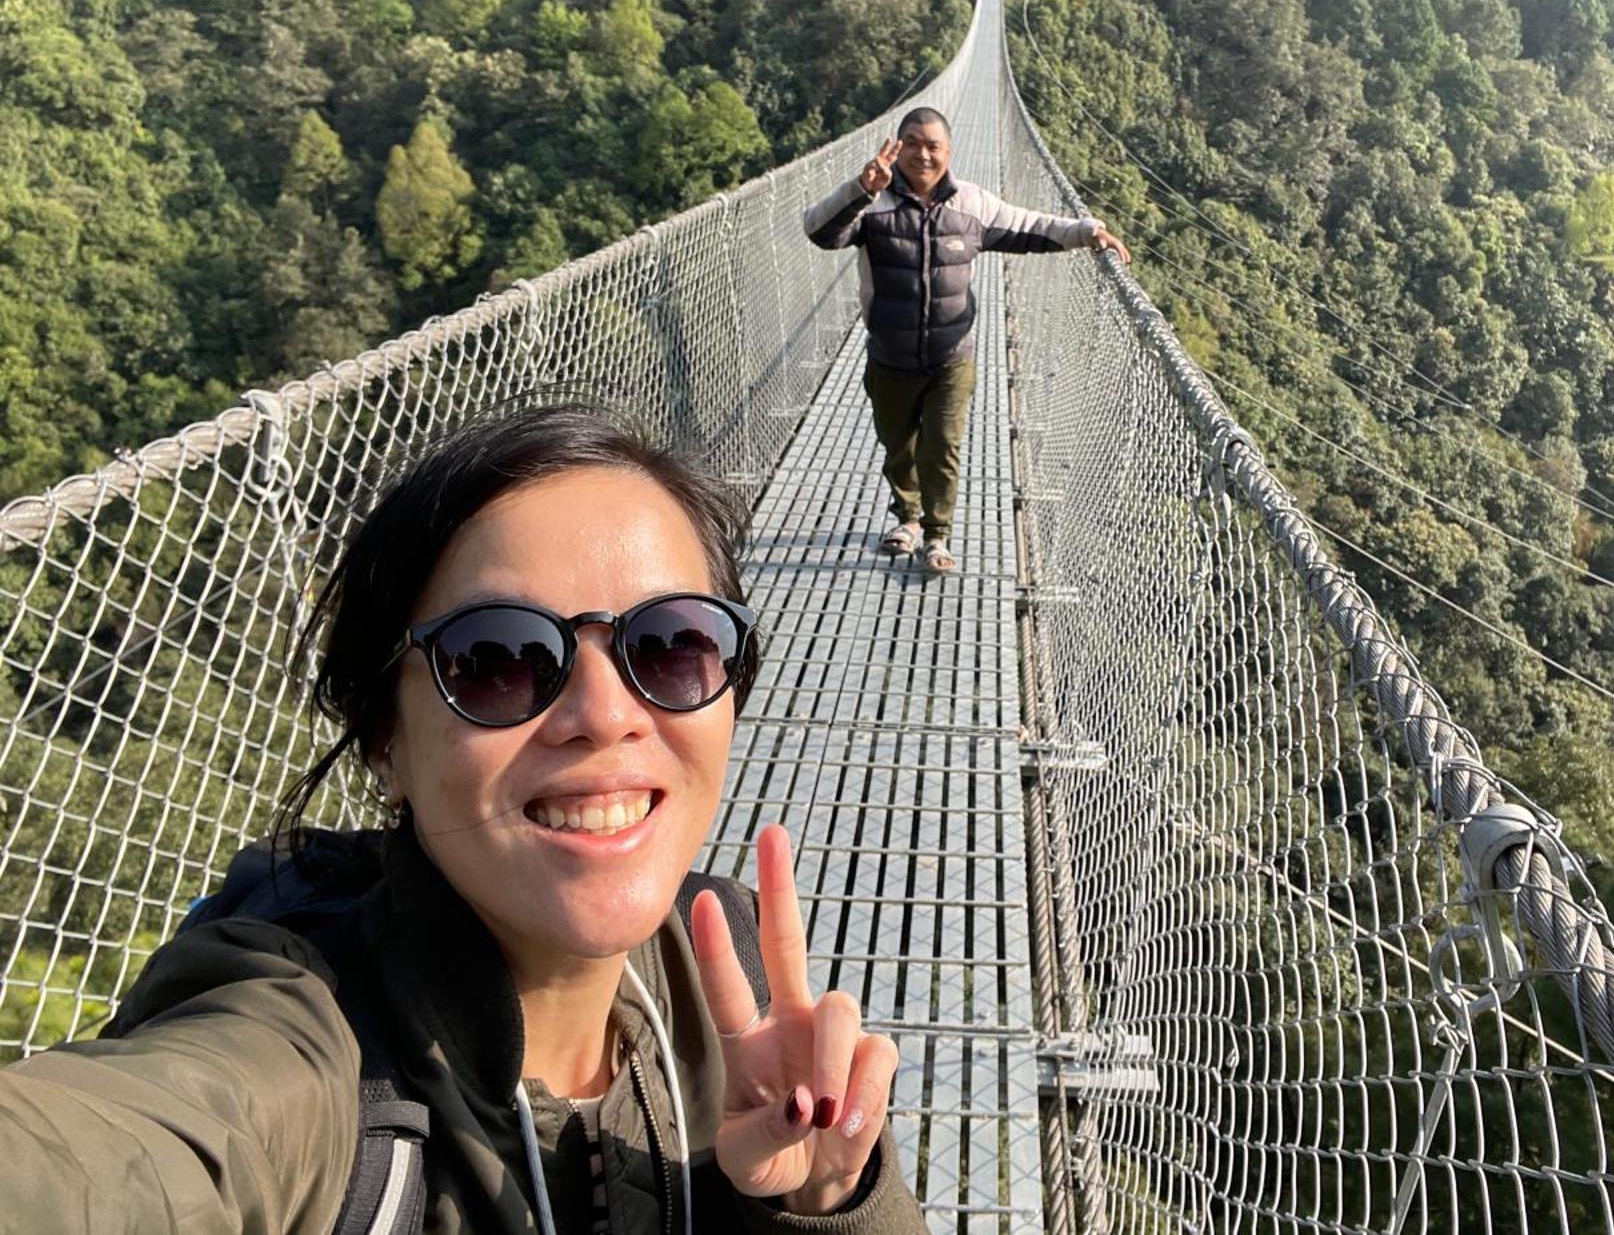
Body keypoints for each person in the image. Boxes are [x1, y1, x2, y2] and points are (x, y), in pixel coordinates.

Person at [0, 403, 926, 1234]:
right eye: (499, 660)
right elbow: (114, 1156)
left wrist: (825, 1203)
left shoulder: (724, 973)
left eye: (672, 644)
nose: (606, 714)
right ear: (384, 738)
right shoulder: (307, 1056)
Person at [804, 107, 1130, 573]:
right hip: (890, 353)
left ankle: (937, 535)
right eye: (912, 143)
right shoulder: (873, 204)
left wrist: (1087, 231)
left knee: (943, 443)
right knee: (898, 446)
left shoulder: (972, 204)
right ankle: (909, 518)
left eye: (933, 145)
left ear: (949, 153)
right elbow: (819, 231)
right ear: (895, 149)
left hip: (951, 355)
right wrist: (859, 189)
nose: (922, 153)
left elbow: (1029, 226)